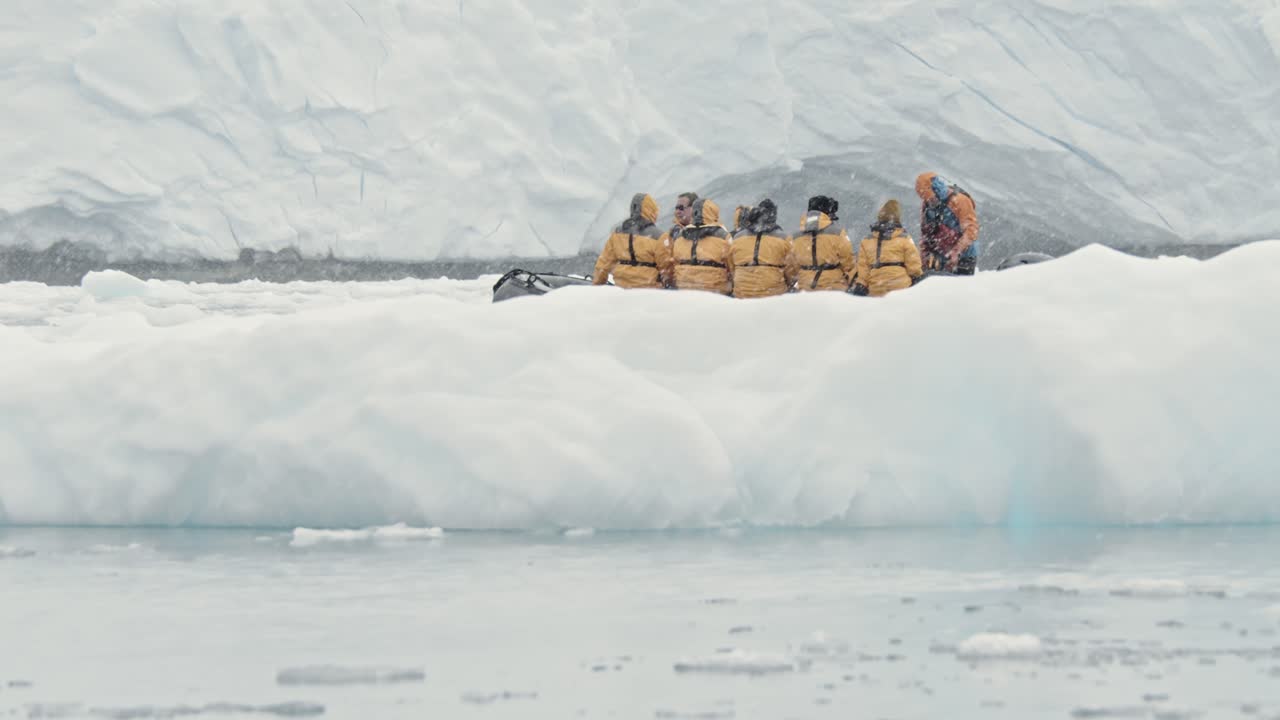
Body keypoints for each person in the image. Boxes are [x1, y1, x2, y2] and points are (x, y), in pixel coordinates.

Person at [591, 193, 672, 289]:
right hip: (649, 291)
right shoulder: (659, 236)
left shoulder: (618, 233)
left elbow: (603, 264)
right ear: (652, 211)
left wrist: (597, 284)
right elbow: (666, 268)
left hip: (621, 289)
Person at [850, 200, 923, 297]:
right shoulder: (904, 238)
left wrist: (861, 285)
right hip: (901, 287)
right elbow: (914, 267)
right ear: (897, 216)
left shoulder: (867, 240)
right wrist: (918, 279)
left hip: (876, 288)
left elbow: (863, 269)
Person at [915, 172, 980, 275]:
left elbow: (971, 230)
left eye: (931, 198)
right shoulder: (926, 205)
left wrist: (956, 252)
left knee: (961, 288)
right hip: (941, 256)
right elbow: (926, 233)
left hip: (964, 256)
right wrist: (924, 255)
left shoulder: (960, 201)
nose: (930, 202)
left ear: (937, 190)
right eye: (926, 199)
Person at [729, 199, 796, 298]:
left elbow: (731, 266)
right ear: (774, 216)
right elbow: (792, 271)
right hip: (772, 294)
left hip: (742, 293)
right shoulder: (784, 239)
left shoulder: (738, 238)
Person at [669, 198, 733, 295]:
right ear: (714, 212)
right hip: (714, 291)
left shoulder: (681, 236)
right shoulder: (723, 236)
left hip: (685, 290)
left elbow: (674, 262)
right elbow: (732, 265)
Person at [792, 195, 855, 291]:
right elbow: (848, 263)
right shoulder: (837, 232)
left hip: (805, 287)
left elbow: (793, 266)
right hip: (833, 288)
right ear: (827, 213)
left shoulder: (795, 236)